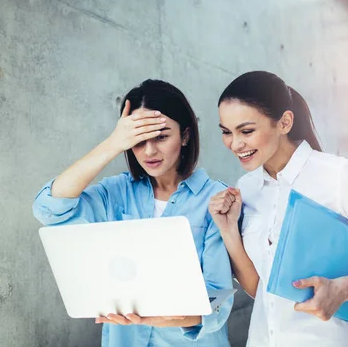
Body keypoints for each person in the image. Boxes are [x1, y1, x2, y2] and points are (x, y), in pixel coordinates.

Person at [208, 71, 348, 347]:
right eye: (226, 132)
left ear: (284, 123)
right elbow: (262, 289)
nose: (235, 144)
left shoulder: (340, 176)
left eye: (246, 131)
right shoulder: (247, 187)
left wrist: (343, 290)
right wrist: (228, 229)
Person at [33, 79, 233, 347]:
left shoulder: (214, 200)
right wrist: (112, 144)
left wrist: (169, 316)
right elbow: (49, 209)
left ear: (185, 135)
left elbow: (219, 296)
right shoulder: (117, 193)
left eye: (161, 137)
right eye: (138, 140)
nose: (149, 151)